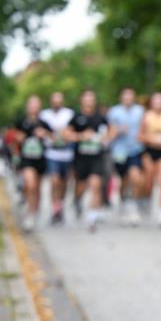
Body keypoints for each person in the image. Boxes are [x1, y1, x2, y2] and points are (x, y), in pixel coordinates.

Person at [64, 90, 109, 232]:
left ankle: (91, 218)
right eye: (87, 98)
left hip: (96, 157)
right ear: (82, 100)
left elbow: (110, 132)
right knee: (80, 187)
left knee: (96, 185)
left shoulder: (100, 117)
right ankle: (77, 200)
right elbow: (66, 134)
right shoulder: (76, 117)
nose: (89, 101)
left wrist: (105, 138)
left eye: (92, 98)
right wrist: (81, 136)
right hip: (81, 158)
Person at [107, 87, 146, 226]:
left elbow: (144, 127)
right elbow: (110, 132)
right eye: (126, 96)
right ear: (121, 98)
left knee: (136, 177)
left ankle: (133, 205)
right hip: (119, 151)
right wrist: (119, 130)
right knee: (123, 180)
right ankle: (123, 203)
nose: (128, 98)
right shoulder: (114, 112)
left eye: (130, 96)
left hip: (135, 149)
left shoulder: (140, 111)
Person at [138, 92, 161, 228]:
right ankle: (146, 198)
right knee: (148, 181)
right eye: (156, 101)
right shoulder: (146, 116)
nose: (159, 104)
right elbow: (140, 136)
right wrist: (152, 139)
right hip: (149, 151)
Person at [15, 95, 53, 232]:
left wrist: (45, 134)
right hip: (27, 158)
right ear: (27, 106)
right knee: (30, 184)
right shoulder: (21, 121)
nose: (33, 107)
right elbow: (15, 137)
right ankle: (29, 213)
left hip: (40, 159)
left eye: (36, 104)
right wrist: (22, 138)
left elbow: (54, 138)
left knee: (37, 188)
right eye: (31, 104)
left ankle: (34, 211)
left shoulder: (44, 123)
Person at [39, 92, 75, 225]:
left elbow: (72, 131)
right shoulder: (44, 115)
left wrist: (67, 134)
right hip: (52, 153)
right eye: (54, 101)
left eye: (59, 101)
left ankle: (61, 205)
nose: (56, 104)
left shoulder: (69, 114)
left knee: (64, 183)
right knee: (55, 181)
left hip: (67, 154)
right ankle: (55, 209)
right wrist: (48, 134)